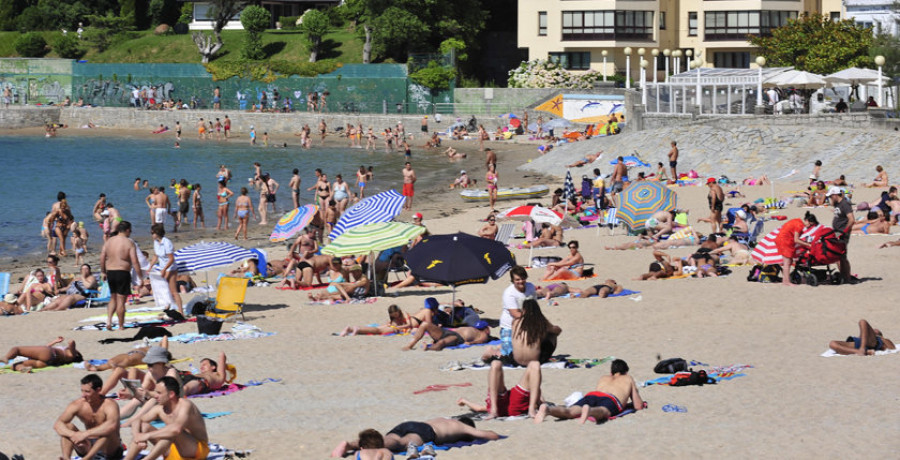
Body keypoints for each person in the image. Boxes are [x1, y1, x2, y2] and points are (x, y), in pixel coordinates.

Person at [123, 376, 210, 460]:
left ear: (171, 394)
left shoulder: (185, 405)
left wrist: (146, 436)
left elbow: (176, 429)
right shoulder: (160, 409)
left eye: (159, 393)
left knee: (171, 432)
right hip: (173, 449)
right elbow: (137, 420)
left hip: (197, 450)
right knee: (144, 426)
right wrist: (137, 436)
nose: (155, 396)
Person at [534, 359, 644, 424]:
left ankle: (548, 409)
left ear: (611, 372)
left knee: (570, 411)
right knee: (603, 411)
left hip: (592, 395)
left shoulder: (603, 377)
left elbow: (600, 396)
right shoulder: (628, 378)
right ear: (625, 372)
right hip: (611, 399)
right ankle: (590, 411)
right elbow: (638, 405)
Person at [332, 417, 499, 458]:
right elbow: (485, 434)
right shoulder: (463, 427)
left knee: (391, 438)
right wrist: (498, 436)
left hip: (413, 423)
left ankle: (354, 444)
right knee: (400, 443)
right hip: (426, 432)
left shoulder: (445, 419)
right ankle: (356, 446)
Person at [54, 374, 123, 460]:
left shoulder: (109, 404)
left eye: (87, 391)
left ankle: (86, 459)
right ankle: (66, 458)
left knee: (106, 431)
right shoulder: (78, 404)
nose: (83, 395)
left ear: (98, 390)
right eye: (82, 391)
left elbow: (112, 425)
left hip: (110, 449)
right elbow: (58, 424)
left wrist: (85, 434)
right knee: (68, 427)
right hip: (89, 444)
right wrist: (73, 434)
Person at [456, 359, 543, 419]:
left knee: (495, 363)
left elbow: (478, 408)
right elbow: (478, 408)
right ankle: (531, 409)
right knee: (535, 364)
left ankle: (494, 409)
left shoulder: (490, 407)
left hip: (500, 407)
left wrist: (465, 401)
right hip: (517, 405)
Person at [100, 221, 142, 330]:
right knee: (121, 301)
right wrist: (140, 277)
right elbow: (135, 261)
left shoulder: (109, 241)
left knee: (113, 298)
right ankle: (121, 325)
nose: (131, 232)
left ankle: (108, 321)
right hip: (122, 272)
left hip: (110, 272)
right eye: (130, 230)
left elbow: (102, 257)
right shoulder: (129, 242)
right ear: (127, 230)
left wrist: (103, 271)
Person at [499, 266, 535, 358]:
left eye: (523, 278)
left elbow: (534, 307)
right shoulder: (509, 293)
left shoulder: (530, 287)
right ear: (512, 280)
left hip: (526, 324)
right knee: (509, 353)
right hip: (509, 326)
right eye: (517, 279)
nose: (520, 281)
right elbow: (515, 314)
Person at [776, 212, 815, 286]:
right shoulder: (800, 225)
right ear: (806, 220)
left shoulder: (797, 220)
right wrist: (808, 245)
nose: (809, 226)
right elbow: (796, 240)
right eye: (809, 224)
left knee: (789, 261)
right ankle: (786, 282)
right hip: (785, 241)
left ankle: (786, 280)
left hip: (782, 239)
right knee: (787, 262)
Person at [150, 224, 182, 314]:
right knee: (165, 288)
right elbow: (155, 256)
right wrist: (150, 267)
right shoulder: (156, 242)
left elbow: (171, 259)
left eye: (152, 233)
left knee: (173, 290)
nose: (151, 235)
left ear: (157, 233)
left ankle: (180, 311)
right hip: (162, 267)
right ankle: (167, 308)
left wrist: (164, 269)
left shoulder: (167, 242)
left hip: (171, 267)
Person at [3, 336, 83, 372]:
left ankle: (6, 357)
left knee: (17, 349)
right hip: (47, 363)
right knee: (14, 366)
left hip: (49, 353)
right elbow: (45, 349)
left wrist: (72, 346)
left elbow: (71, 342)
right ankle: (21, 368)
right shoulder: (67, 358)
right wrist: (54, 342)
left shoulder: (71, 354)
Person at [402, 320, 490, 351]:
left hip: (457, 338)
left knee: (442, 342)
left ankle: (428, 348)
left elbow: (481, 340)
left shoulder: (483, 334)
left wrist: (472, 343)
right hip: (447, 331)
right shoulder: (479, 330)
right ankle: (410, 345)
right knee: (425, 324)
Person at [827, 187, 855, 284]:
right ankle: (844, 276)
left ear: (835, 195)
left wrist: (844, 232)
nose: (830, 198)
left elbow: (851, 219)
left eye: (831, 196)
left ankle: (847, 278)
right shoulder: (838, 204)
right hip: (837, 232)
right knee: (838, 256)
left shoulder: (845, 204)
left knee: (842, 256)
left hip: (842, 232)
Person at [339, 304, 415, 337]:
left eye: (396, 314)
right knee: (378, 330)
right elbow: (406, 325)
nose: (396, 316)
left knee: (378, 329)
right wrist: (398, 327)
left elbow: (408, 325)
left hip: (395, 327)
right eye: (393, 315)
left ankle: (351, 329)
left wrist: (398, 327)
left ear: (399, 311)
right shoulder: (399, 316)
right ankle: (357, 329)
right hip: (394, 327)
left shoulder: (404, 313)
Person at [829, 319, 895, 355]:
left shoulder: (880, 340)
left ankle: (862, 349)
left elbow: (892, 348)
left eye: (876, 331)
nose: (874, 329)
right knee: (832, 343)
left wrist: (881, 337)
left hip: (870, 344)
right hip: (856, 345)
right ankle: (860, 351)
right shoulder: (862, 338)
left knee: (862, 321)